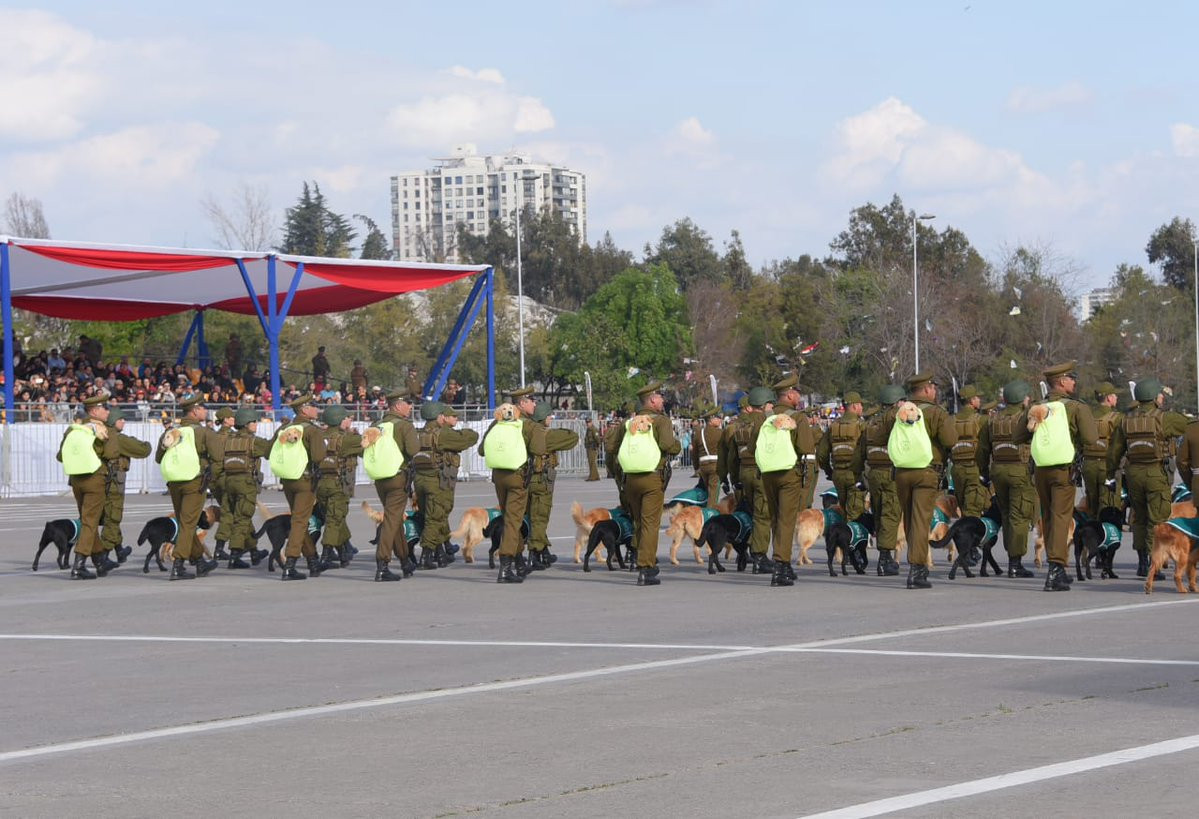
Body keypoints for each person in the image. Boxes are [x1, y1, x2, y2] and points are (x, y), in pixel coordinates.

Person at [1015, 362, 1097, 591]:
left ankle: (1054, 565)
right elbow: (1091, 438)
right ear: (1061, 382)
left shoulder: (1037, 406)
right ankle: (1056, 569)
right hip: (1064, 469)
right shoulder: (1076, 407)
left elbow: (1018, 435)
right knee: (1061, 516)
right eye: (1071, 378)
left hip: (1041, 469)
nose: (1074, 381)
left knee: (1048, 516)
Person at [881, 372, 957, 589]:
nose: (934, 391)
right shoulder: (936, 413)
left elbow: (878, 437)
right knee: (922, 520)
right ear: (926, 389)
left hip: (902, 472)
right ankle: (916, 570)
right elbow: (951, 440)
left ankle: (916, 563)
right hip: (927, 472)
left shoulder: (897, 413)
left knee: (909, 519)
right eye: (933, 388)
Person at [1105, 377, 1187, 578]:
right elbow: (1190, 426)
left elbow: (1114, 452)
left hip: (1134, 475)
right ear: (1154, 397)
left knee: (1139, 519)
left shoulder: (1126, 420)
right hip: (1156, 474)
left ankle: (1142, 563)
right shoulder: (1165, 418)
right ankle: (1154, 564)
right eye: (1160, 395)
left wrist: (1110, 475)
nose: (1162, 397)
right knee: (1157, 519)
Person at [606, 382, 681, 586]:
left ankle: (636, 556)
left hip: (630, 479)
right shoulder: (661, 421)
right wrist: (678, 445)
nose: (662, 400)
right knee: (650, 523)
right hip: (652, 478)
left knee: (639, 521)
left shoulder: (628, 423)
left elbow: (610, 446)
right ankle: (646, 567)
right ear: (652, 400)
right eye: (660, 397)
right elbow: (668, 445)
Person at [758, 375, 818, 586]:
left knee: (776, 518)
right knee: (786, 520)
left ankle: (784, 563)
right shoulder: (798, 418)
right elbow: (806, 449)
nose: (798, 397)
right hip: (789, 474)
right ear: (791, 394)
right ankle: (781, 566)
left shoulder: (765, 417)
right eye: (797, 393)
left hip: (767, 473)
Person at [155, 394, 223, 580]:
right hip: (195, 481)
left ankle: (199, 561)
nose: (205, 411)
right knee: (188, 523)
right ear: (195, 411)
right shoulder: (203, 432)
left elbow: (158, 458)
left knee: (186, 523)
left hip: (174, 483)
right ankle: (178, 565)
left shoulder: (172, 432)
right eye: (203, 408)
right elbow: (218, 457)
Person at [479, 387, 543, 583]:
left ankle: (519, 561)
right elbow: (539, 449)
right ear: (522, 403)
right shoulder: (529, 426)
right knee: (513, 522)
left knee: (509, 518)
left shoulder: (497, 422)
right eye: (532, 400)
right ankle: (505, 567)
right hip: (518, 477)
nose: (535, 404)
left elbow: (482, 450)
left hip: (499, 476)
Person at [56, 393, 119, 579]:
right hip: (95, 479)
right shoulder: (104, 429)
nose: (108, 411)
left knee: (87, 519)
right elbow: (112, 453)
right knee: (90, 522)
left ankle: (100, 560)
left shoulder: (74, 429)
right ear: (94, 411)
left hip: (76, 479)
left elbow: (61, 455)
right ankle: (79, 564)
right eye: (104, 408)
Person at [978, 381, 1036, 578]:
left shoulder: (993, 419)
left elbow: (983, 449)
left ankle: (1012, 557)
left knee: (1006, 515)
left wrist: (984, 473)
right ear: (1022, 399)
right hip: (1019, 470)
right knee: (1019, 515)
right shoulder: (1026, 417)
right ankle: (1015, 563)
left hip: (998, 471)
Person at [411, 402, 478, 570]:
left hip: (420, 481)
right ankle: (426, 555)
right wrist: (464, 431)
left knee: (434, 516)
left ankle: (441, 553)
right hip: (437, 482)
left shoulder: (418, 434)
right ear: (439, 416)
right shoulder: (443, 435)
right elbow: (470, 438)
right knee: (435, 518)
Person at [361, 391, 420, 581]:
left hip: (380, 479)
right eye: (408, 403)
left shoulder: (376, 425)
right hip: (397, 477)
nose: (411, 406)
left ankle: (405, 561)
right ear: (397, 406)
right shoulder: (404, 426)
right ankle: (382, 564)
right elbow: (413, 450)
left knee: (394, 519)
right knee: (391, 520)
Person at [268, 394, 328, 581]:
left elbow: (267, 451)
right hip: (305, 480)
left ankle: (312, 560)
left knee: (298, 518)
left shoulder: (284, 428)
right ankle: (290, 563)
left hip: (288, 480)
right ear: (304, 409)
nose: (316, 409)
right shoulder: (313, 430)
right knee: (300, 521)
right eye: (313, 406)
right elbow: (319, 457)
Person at [723, 387, 775, 574]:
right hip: (761, 473)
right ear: (764, 405)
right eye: (770, 403)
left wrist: (734, 479)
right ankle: (759, 556)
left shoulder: (740, 427)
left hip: (744, 473)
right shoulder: (768, 423)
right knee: (763, 516)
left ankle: (746, 551)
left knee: (752, 513)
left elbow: (732, 458)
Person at [526, 401, 580, 568]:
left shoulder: (527, 431)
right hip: (542, 481)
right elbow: (572, 437)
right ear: (543, 417)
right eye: (549, 415)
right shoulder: (544, 435)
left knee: (531, 517)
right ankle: (534, 554)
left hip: (527, 481)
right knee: (540, 517)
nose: (551, 418)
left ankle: (543, 551)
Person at [860, 384, 905, 576]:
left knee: (879, 513)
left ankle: (882, 553)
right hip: (891, 473)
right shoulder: (898, 421)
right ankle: (885, 559)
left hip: (874, 473)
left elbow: (860, 451)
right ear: (898, 402)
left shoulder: (871, 423)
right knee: (890, 514)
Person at [98, 405, 151, 566]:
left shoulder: (101, 434)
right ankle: (103, 556)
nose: (123, 422)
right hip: (114, 483)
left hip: (101, 482)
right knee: (113, 517)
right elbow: (144, 450)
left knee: (109, 515)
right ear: (114, 421)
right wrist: (140, 442)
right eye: (121, 419)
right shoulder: (118, 438)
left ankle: (119, 550)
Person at [221, 407, 273, 568]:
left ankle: (253, 550)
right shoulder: (253, 441)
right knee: (242, 519)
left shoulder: (229, 439)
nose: (256, 425)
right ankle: (234, 556)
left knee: (237, 516)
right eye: (254, 422)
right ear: (246, 424)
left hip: (229, 482)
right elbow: (270, 450)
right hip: (246, 484)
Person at [316, 405, 364, 569]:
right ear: (339, 420)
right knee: (335, 519)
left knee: (335, 517)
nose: (349, 420)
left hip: (321, 484)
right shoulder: (347, 439)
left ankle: (344, 552)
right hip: (339, 485)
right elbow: (368, 445)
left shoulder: (318, 436)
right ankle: (326, 555)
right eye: (346, 418)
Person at [817, 390, 867, 520]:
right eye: (861, 405)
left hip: (838, 475)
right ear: (855, 406)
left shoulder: (833, 426)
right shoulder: (862, 426)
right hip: (855, 476)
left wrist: (829, 471)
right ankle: (851, 537)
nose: (862, 408)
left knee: (843, 509)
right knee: (855, 513)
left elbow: (821, 454)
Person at [1081, 382, 1123, 516]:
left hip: (1088, 465)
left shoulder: (1085, 416)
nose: (1117, 398)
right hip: (1107, 466)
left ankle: (1092, 532)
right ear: (1109, 398)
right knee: (1109, 505)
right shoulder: (1117, 418)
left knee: (1092, 504)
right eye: (1115, 395)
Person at [949, 385, 989, 517]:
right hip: (975, 469)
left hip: (957, 470)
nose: (979, 400)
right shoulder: (982, 420)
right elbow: (986, 446)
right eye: (977, 397)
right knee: (973, 511)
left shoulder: (950, 420)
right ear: (972, 401)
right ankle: (971, 536)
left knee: (963, 508)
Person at [210, 407, 237, 560]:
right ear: (225, 420)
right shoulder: (233, 436)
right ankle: (220, 549)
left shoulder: (213, 436)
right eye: (231, 417)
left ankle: (250, 547)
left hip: (215, 480)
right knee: (230, 513)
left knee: (234, 512)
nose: (233, 419)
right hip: (228, 477)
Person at [693, 407, 724, 509]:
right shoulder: (719, 433)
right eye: (718, 418)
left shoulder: (698, 433)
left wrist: (696, 467)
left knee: (708, 491)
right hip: (715, 466)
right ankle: (710, 516)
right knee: (713, 495)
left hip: (703, 467)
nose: (720, 420)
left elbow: (694, 453)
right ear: (711, 420)